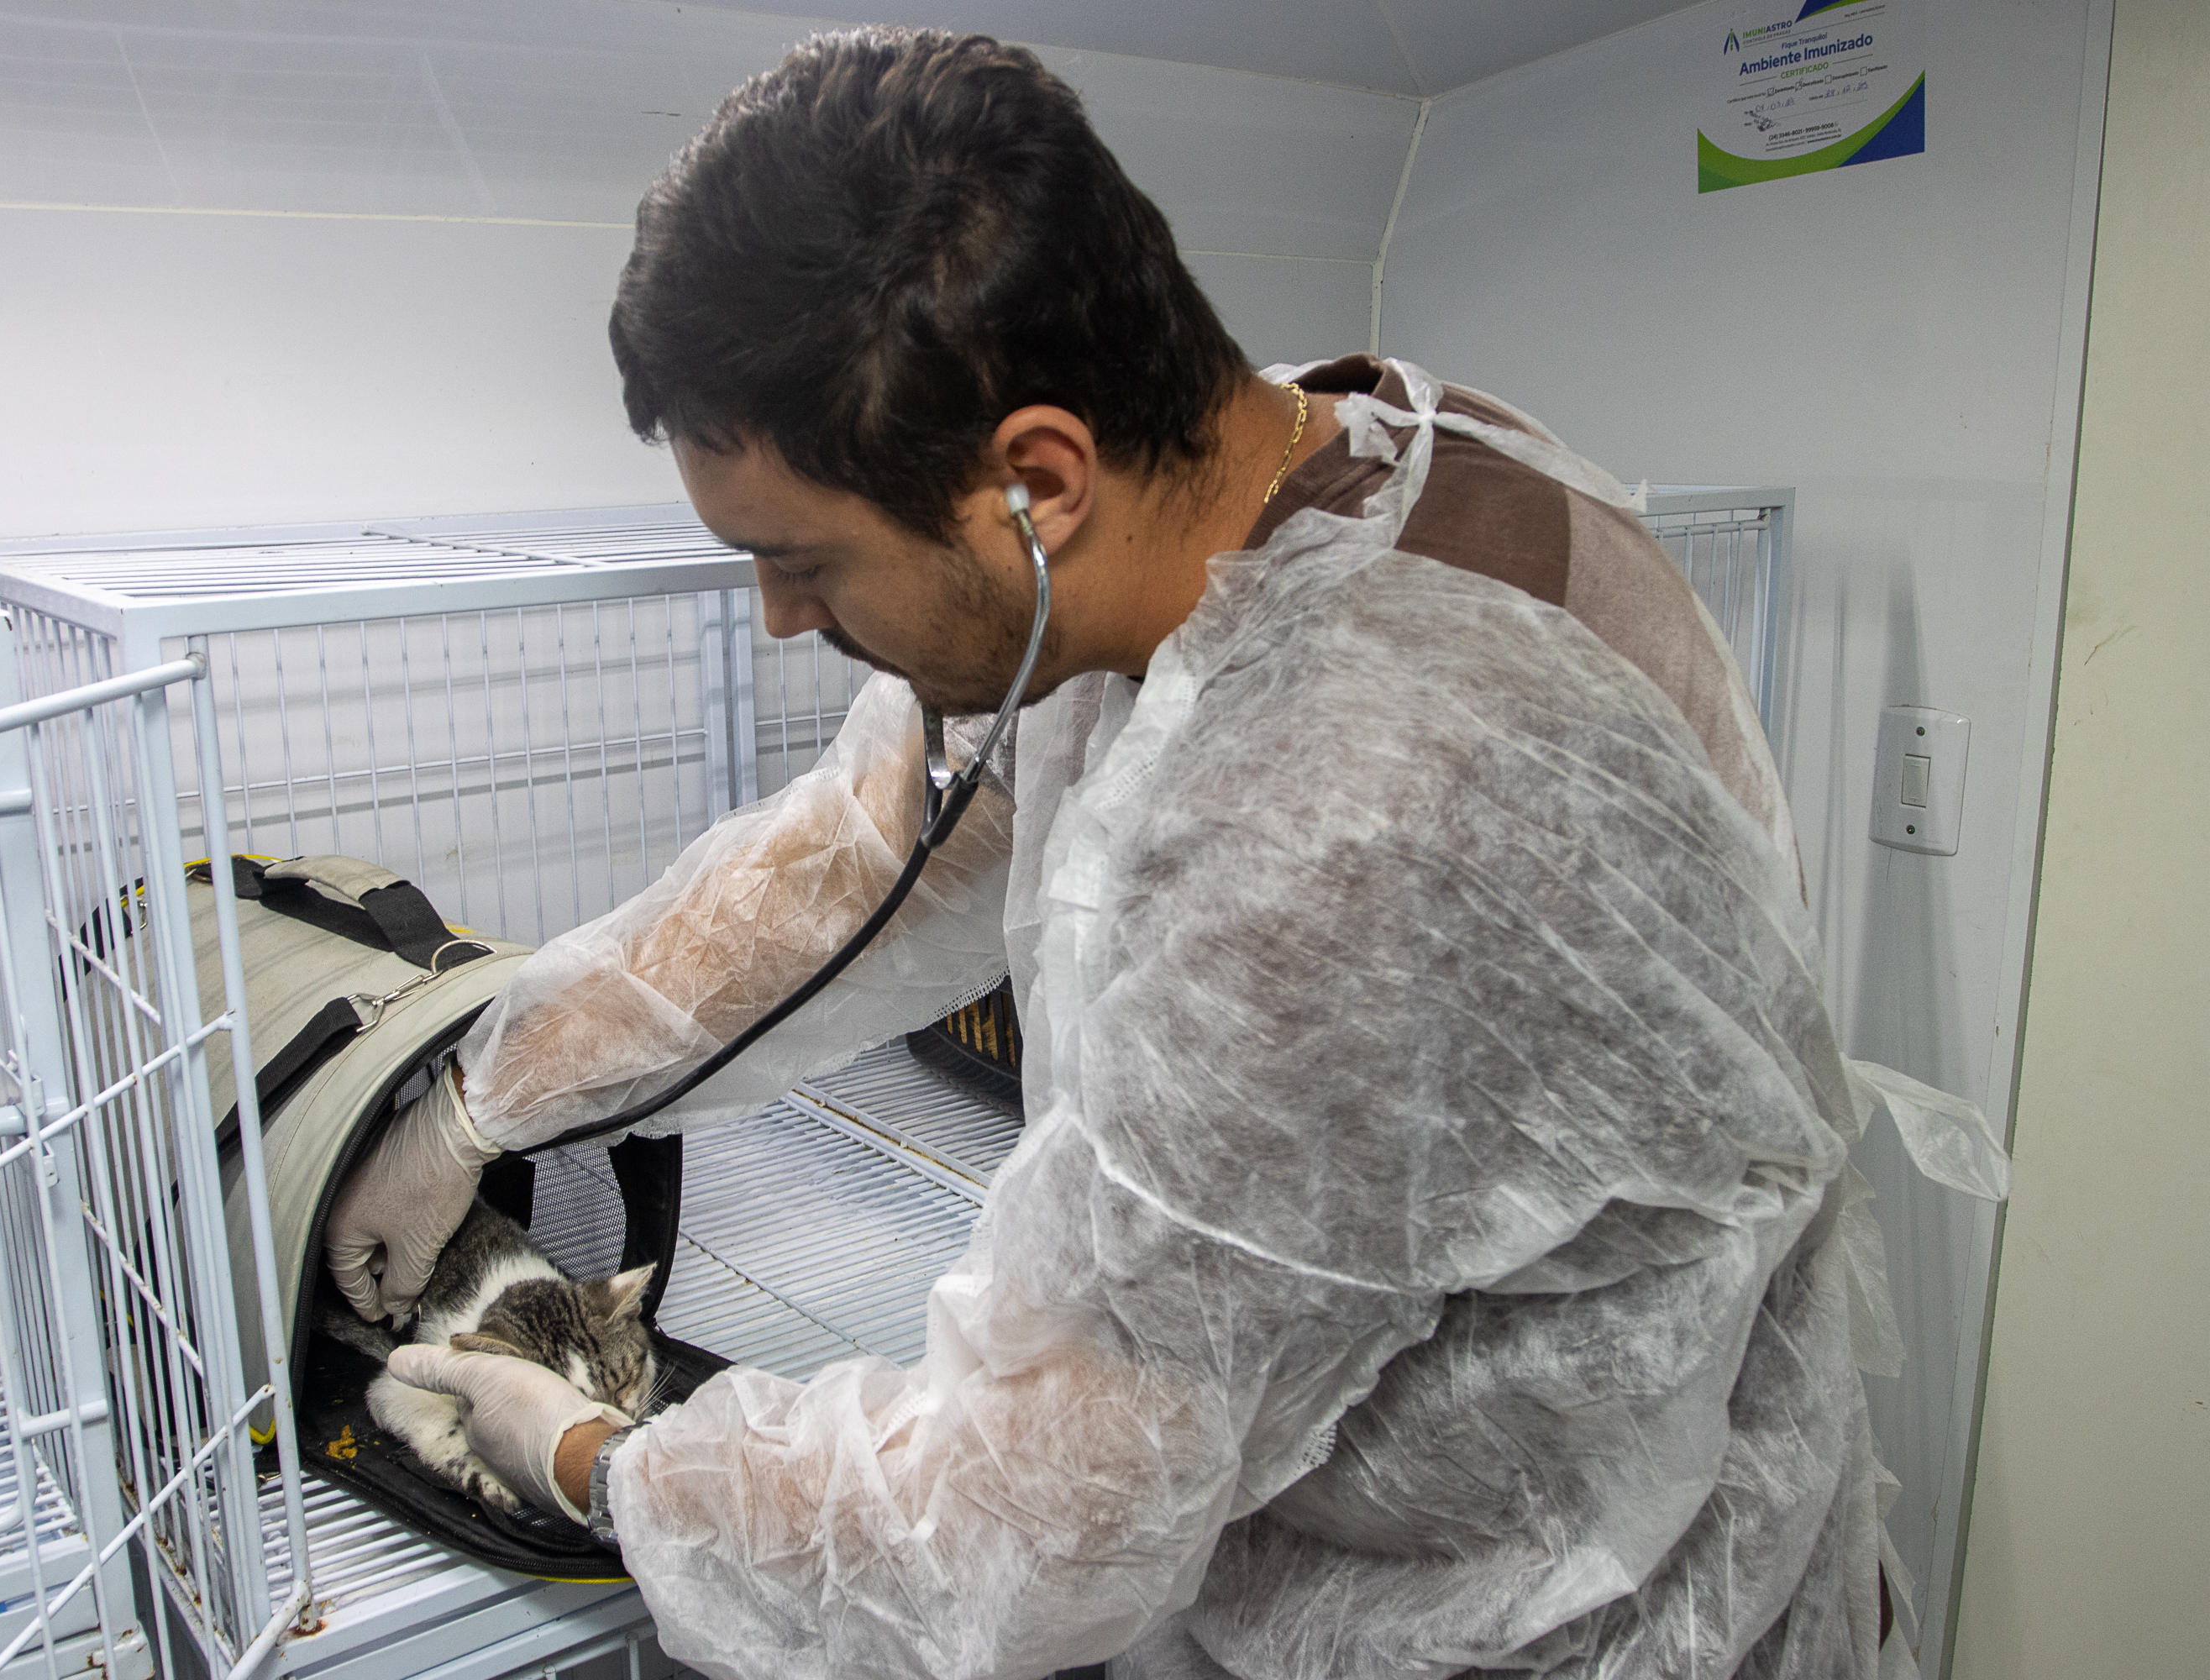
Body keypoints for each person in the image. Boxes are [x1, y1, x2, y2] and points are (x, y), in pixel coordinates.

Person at [320, 28, 1930, 1680]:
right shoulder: (1314, 470)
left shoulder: (1339, 823)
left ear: (1038, 481)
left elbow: (1027, 1527)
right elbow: (868, 848)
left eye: (800, 560)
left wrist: (595, 1456)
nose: (780, 617)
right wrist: (482, 1097)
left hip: (1556, 1624)